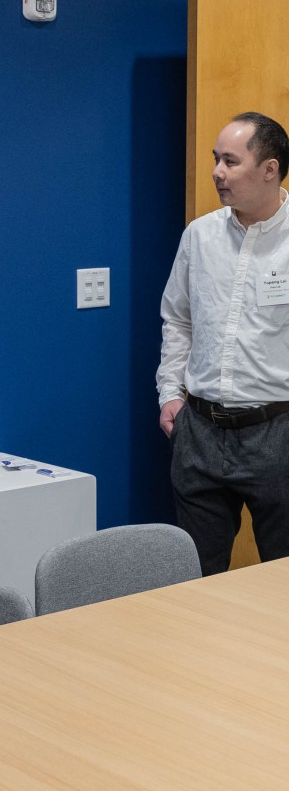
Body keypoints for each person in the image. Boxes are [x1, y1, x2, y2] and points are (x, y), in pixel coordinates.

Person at [157, 111, 289, 575]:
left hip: (279, 430)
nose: (217, 172)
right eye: (216, 160)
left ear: (269, 169)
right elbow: (177, 319)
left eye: (230, 162)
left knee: (282, 579)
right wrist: (170, 394)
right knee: (196, 578)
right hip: (200, 431)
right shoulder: (200, 236)